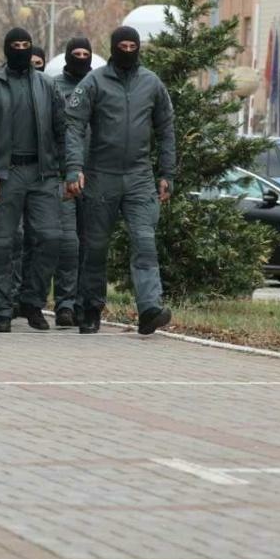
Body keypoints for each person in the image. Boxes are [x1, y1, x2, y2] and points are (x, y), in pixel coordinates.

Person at [66, 25, 176, 335]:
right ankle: (90, 308)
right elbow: (74, 125)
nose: (127, 51)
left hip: (140, 176)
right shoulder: (94, 82)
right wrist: (74, 168)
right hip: (101, 175)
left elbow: (166, 128)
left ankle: (149, 309)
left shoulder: (151, 83)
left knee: (144, 241)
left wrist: (167, 173)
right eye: (122, 46)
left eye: (132, 46)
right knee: (96, 246)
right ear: (113, 48)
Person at [0, 28, 67, 332]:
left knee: (50, 238)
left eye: (25, 45)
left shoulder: (47, 85)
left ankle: (32, 301)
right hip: (6, 174)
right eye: (15, 45)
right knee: (3, 244)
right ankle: (2, 310)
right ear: (7, 49)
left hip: (42, 174)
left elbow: (63, 130)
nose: (20, 49)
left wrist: (69, 170)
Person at [51, 37, 94, 328]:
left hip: (94, 176)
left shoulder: (98, 86)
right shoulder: (53, 87)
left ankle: (83, 303)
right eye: (75, 53)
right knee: (68, 243)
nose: (80, 58)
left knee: (89, 243)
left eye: (84, 53)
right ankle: (64, 304)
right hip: (62, 175)